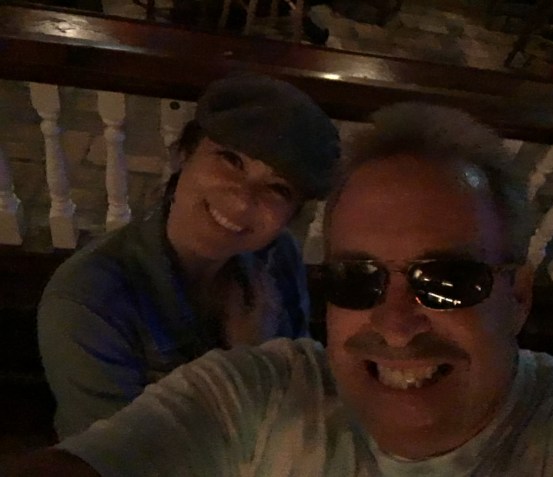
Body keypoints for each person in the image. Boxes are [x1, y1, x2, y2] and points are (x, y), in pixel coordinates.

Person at [6, 102, 553, 476]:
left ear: (519, 297)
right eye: (357, 279)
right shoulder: (93, 303)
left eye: (447, 282)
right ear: (183, 156)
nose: (395, 324)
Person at [36, 73, 340, 439]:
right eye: (231, 160)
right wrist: (250, 361)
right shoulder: (87, 304)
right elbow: (121, 459)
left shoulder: (278, 257)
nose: (242, 201)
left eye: (278, 188)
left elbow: (306, 400)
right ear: (184, 154)